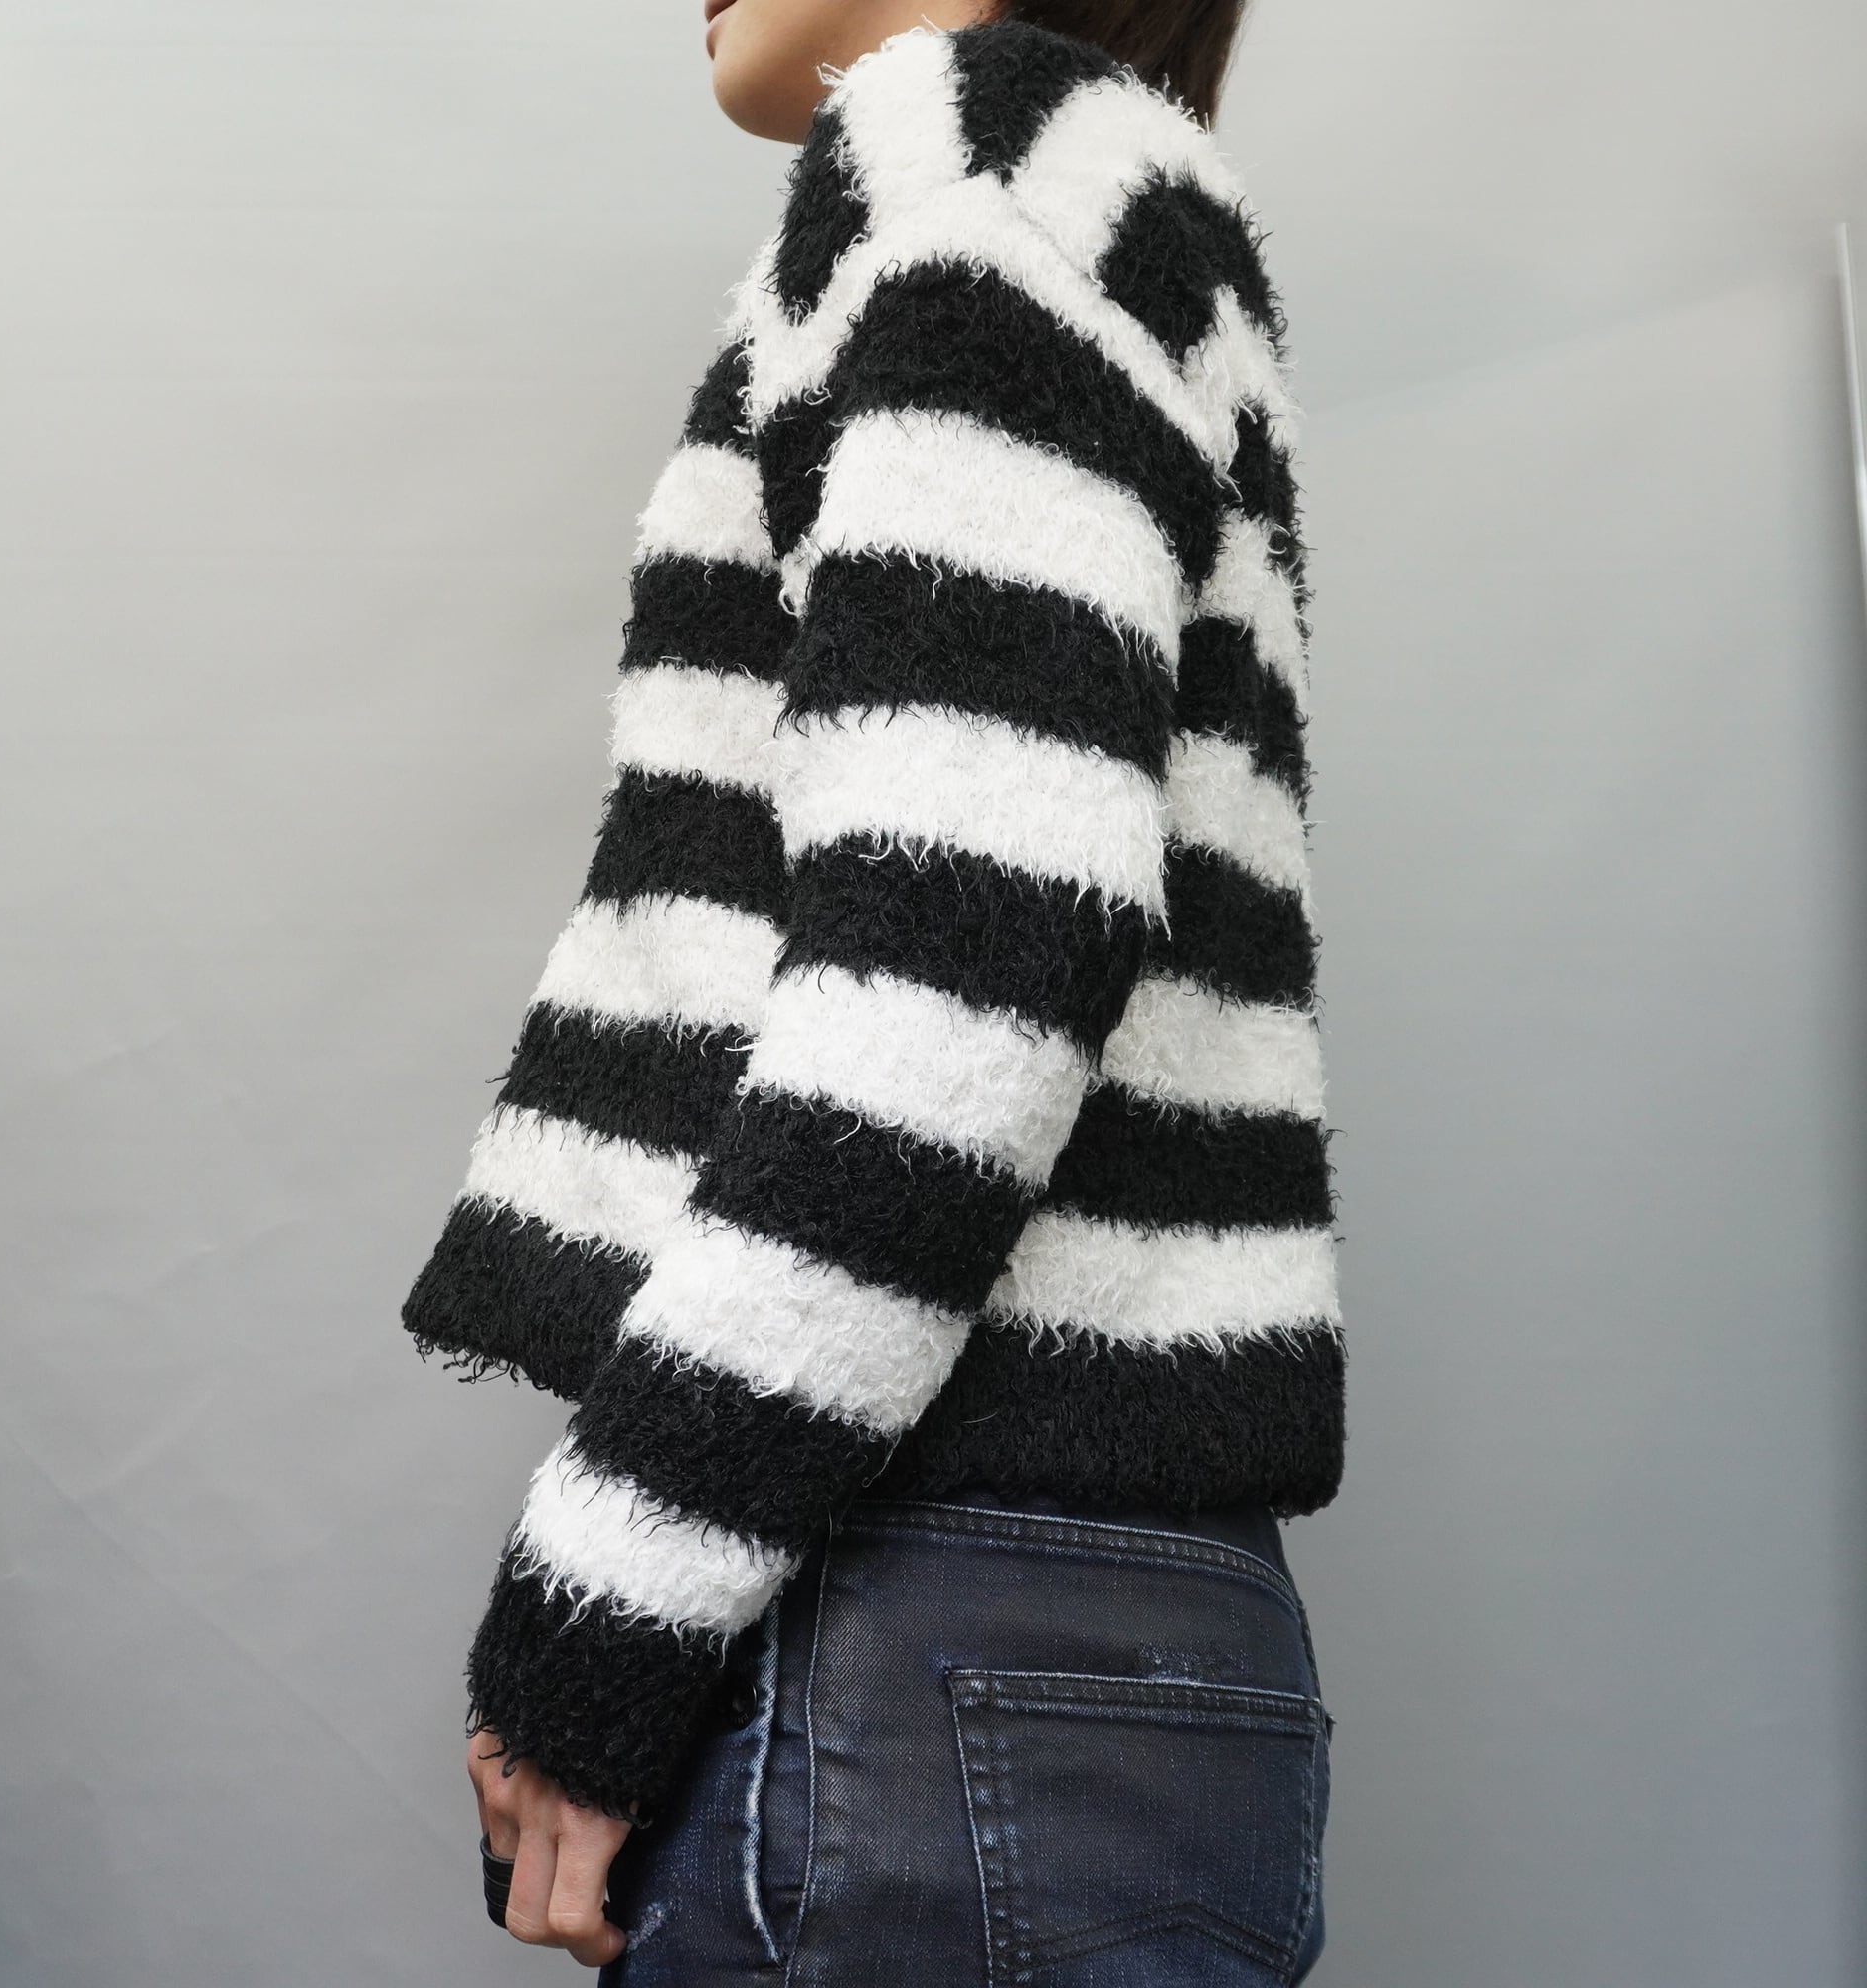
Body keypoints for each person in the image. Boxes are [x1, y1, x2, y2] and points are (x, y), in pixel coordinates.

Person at [402, 1, 1346, 1977]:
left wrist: (601, 1600)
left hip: (916, 1643)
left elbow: (963, 961)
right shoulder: (1100, 192)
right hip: (1067, 1668)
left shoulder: (981, 155)